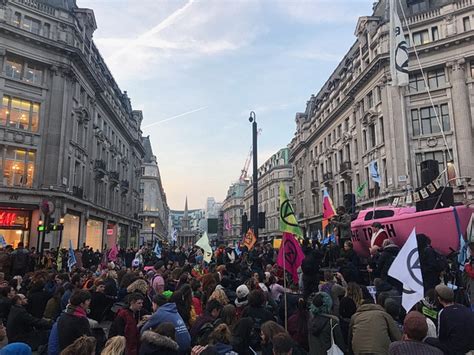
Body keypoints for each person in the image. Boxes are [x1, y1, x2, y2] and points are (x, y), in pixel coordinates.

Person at [425, 284, 474, 354]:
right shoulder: (463, 307)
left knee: (428, 340)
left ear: (439, 299)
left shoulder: (443, 313)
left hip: (455, 349)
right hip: (470, 346)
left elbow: (441, 337)